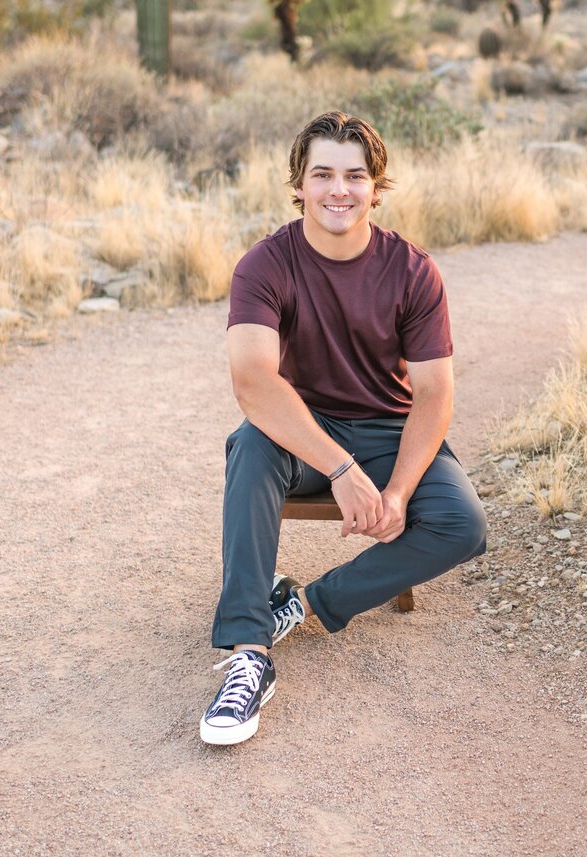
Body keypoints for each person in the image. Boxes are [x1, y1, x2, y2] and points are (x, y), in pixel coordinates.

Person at [200, 111, 487, 746]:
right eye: (322, 173)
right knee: (251, 446)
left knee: (463, 524)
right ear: (298, 184)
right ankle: (249, 654)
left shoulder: (412, 270)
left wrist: (400, 492)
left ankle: (301, 605)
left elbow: (435, 393)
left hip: (390, 429)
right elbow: (254, 383)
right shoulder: (265, 265)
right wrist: (341, 471)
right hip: (305, 434)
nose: (339, 190)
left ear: (376, 188)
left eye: (355, 176)